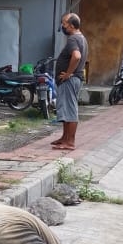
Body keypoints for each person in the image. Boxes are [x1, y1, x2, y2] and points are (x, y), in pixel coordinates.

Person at [49, 12, 87, 151]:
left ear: (71, 25)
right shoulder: (81, 37)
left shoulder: (73, 39)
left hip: (70, 80)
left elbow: (76, 56)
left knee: (70, 110)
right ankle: (64, 138)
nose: (62, 26)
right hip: (73, 79)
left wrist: (68, 74)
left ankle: (69, 142)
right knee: (66, 109)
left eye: (64, 24)